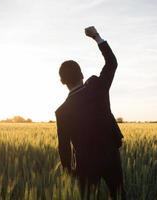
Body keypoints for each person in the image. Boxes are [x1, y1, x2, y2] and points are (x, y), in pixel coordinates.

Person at [55, 26, 125, 200]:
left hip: (85, 165)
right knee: (118, 195)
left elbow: (64, 147)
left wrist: (68, 171)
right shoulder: (96, 86)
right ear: (82, 74)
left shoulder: (62, 112)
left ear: (62, 81)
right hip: (111, 155)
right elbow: (112, 63)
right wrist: (96, 37)